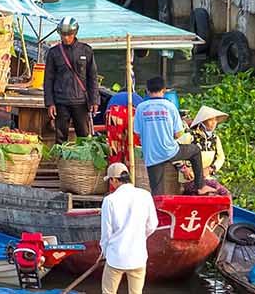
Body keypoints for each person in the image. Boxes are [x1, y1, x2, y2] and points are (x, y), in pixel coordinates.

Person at [99, 161, 157, 294]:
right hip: (138, 256)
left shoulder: (109, 200)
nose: (111, 184)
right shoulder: (145, 195)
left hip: (116, 257)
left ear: (114, 180)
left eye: (110, 180)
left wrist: (104, 252)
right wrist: (139, 237)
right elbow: (152, 224)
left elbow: (106, 233)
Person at [43, 18, 99, 141]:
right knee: (60, 139)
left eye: (69, 35)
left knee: (84, 138)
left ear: (75, 33)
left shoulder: (86, 50)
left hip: (81, 102)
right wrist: (50, 103)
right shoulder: (54, 53)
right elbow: (48, 80)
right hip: (61, 102)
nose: (66, 38)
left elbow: (92, 77)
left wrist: (95, 101)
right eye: (63, 35)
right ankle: (60, 154)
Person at [134, 76, 181, 194]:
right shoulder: (170, 106)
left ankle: (157, 205)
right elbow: (178, 133)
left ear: (147, 90)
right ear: (164, 90)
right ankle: (200, 186)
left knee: (156, 191)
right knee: (195, 151)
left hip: (151, 154)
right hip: (169, 151)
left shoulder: (140, 107)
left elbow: (137, 132)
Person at [173, 106, 228, 188]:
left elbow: (221, 158)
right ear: (202, 122)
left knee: (221, 192)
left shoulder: (215, 139)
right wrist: (184, 169)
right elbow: (173, 150)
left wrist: (210, 169)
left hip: (206, 178)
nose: (214, 123)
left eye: (215, 120)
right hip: (187, 179)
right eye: (210, 120)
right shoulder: (190, 136)